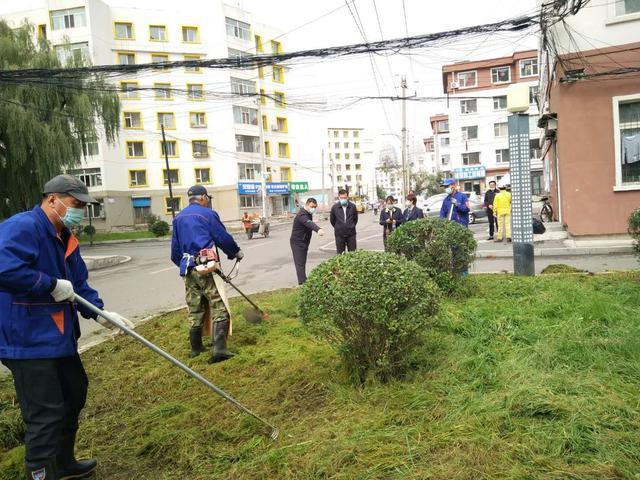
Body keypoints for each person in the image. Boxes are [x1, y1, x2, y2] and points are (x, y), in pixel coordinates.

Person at [0, 174, 133, 480]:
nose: (80, 211)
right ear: (52, 200)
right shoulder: (24, 227)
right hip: (27, 338)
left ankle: (64, 462)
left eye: (84, 206)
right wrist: (47, 284)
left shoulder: (65, 236)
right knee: (44, 412)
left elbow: (78, 285)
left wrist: (101, 313)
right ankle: (42, 474)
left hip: (58, 337)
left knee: (74, 394)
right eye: (75, 204)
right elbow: (4, 268)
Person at [171, 185, 244, 362]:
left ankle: (196, 347)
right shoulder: (208, 214)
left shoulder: (178, 218)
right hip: (207, 266)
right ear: (203, 197)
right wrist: (234, 252)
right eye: (207, 198)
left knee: (195, 306)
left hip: (188, 268)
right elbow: (222, 238)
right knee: (219, 304)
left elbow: (174, 251)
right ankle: (219, 350)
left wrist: (187, 266)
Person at [290, 198, 324, 284]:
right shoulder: (302, 214)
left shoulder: (308, 213)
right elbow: (308, 223)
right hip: (297, 242)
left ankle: (303, 279)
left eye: (315, 207)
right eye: (312, 206)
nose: (314, 208)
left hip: (304, 241)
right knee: (300, 262)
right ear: (307, 204)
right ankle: (302, 282)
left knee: (302, 261)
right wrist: (318, 229)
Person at [329, 189, 358, 254]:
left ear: (347, 197)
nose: (343, 199)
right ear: (339, 197)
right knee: (340, 254)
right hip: (339, 234)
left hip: (351, 234)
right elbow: (332, 220)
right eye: (341, 198)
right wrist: (338, 227)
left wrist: (350, 225)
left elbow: (355, 219)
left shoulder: (352, 206)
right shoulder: (335, 207)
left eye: (345, 198)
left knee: (353, 253)